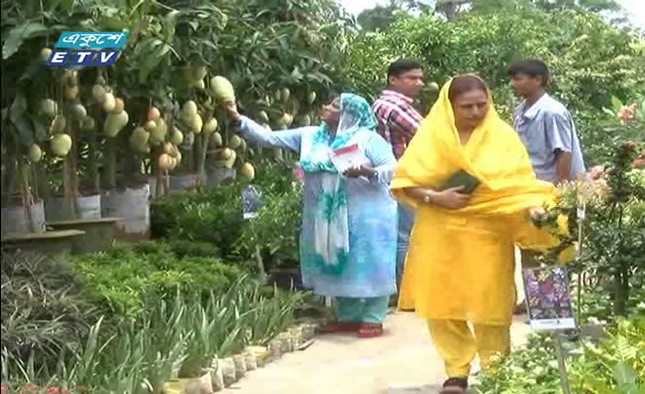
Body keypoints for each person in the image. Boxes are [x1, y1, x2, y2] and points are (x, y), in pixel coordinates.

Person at [390, 74, 570, 393]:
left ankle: (495, 371)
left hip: (488, 231)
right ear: (450, 107)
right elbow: (405, 183)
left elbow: (520, 185)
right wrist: (437, 197)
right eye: (466, 106)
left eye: (481, 105)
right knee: (443, 303)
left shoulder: (502, 136)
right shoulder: (431, 136)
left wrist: (535, 208)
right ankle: (456, 371)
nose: (475, 112)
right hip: (439, 228)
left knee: (491, 302)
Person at [223, 93, 398, 339]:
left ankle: (372, 316)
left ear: (349, 114)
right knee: (335, 257)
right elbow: (268, 138)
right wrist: (237, 118)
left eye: (335, 105)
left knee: (368, 259)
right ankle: (347, 316)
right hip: (325, 214)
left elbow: (393, 167)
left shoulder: (368, 139)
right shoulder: (310, 136)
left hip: (367, 213)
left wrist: (368, 171)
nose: (326, 107)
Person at [508, 58, 586, 314]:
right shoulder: (522, 110)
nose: (513, 84)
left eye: (519, 78)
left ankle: (548, 304)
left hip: (547, 188)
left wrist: (560, 191)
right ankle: (534, 300)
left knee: (548, 246)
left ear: (537, 80)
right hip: (525, 187)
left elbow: (563, 151)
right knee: (528, 246)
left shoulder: (551, 111)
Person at [372, 59, 424, 299]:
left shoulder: (378, 104)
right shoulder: (395, 106)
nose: (419, 83)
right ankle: (406, 291)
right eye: (412, 78)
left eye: (420, 78)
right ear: (393, 79)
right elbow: (428, 135)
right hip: (401, 176)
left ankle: (394, 289)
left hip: (383, 176)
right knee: (406, 235)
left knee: (393, 234)